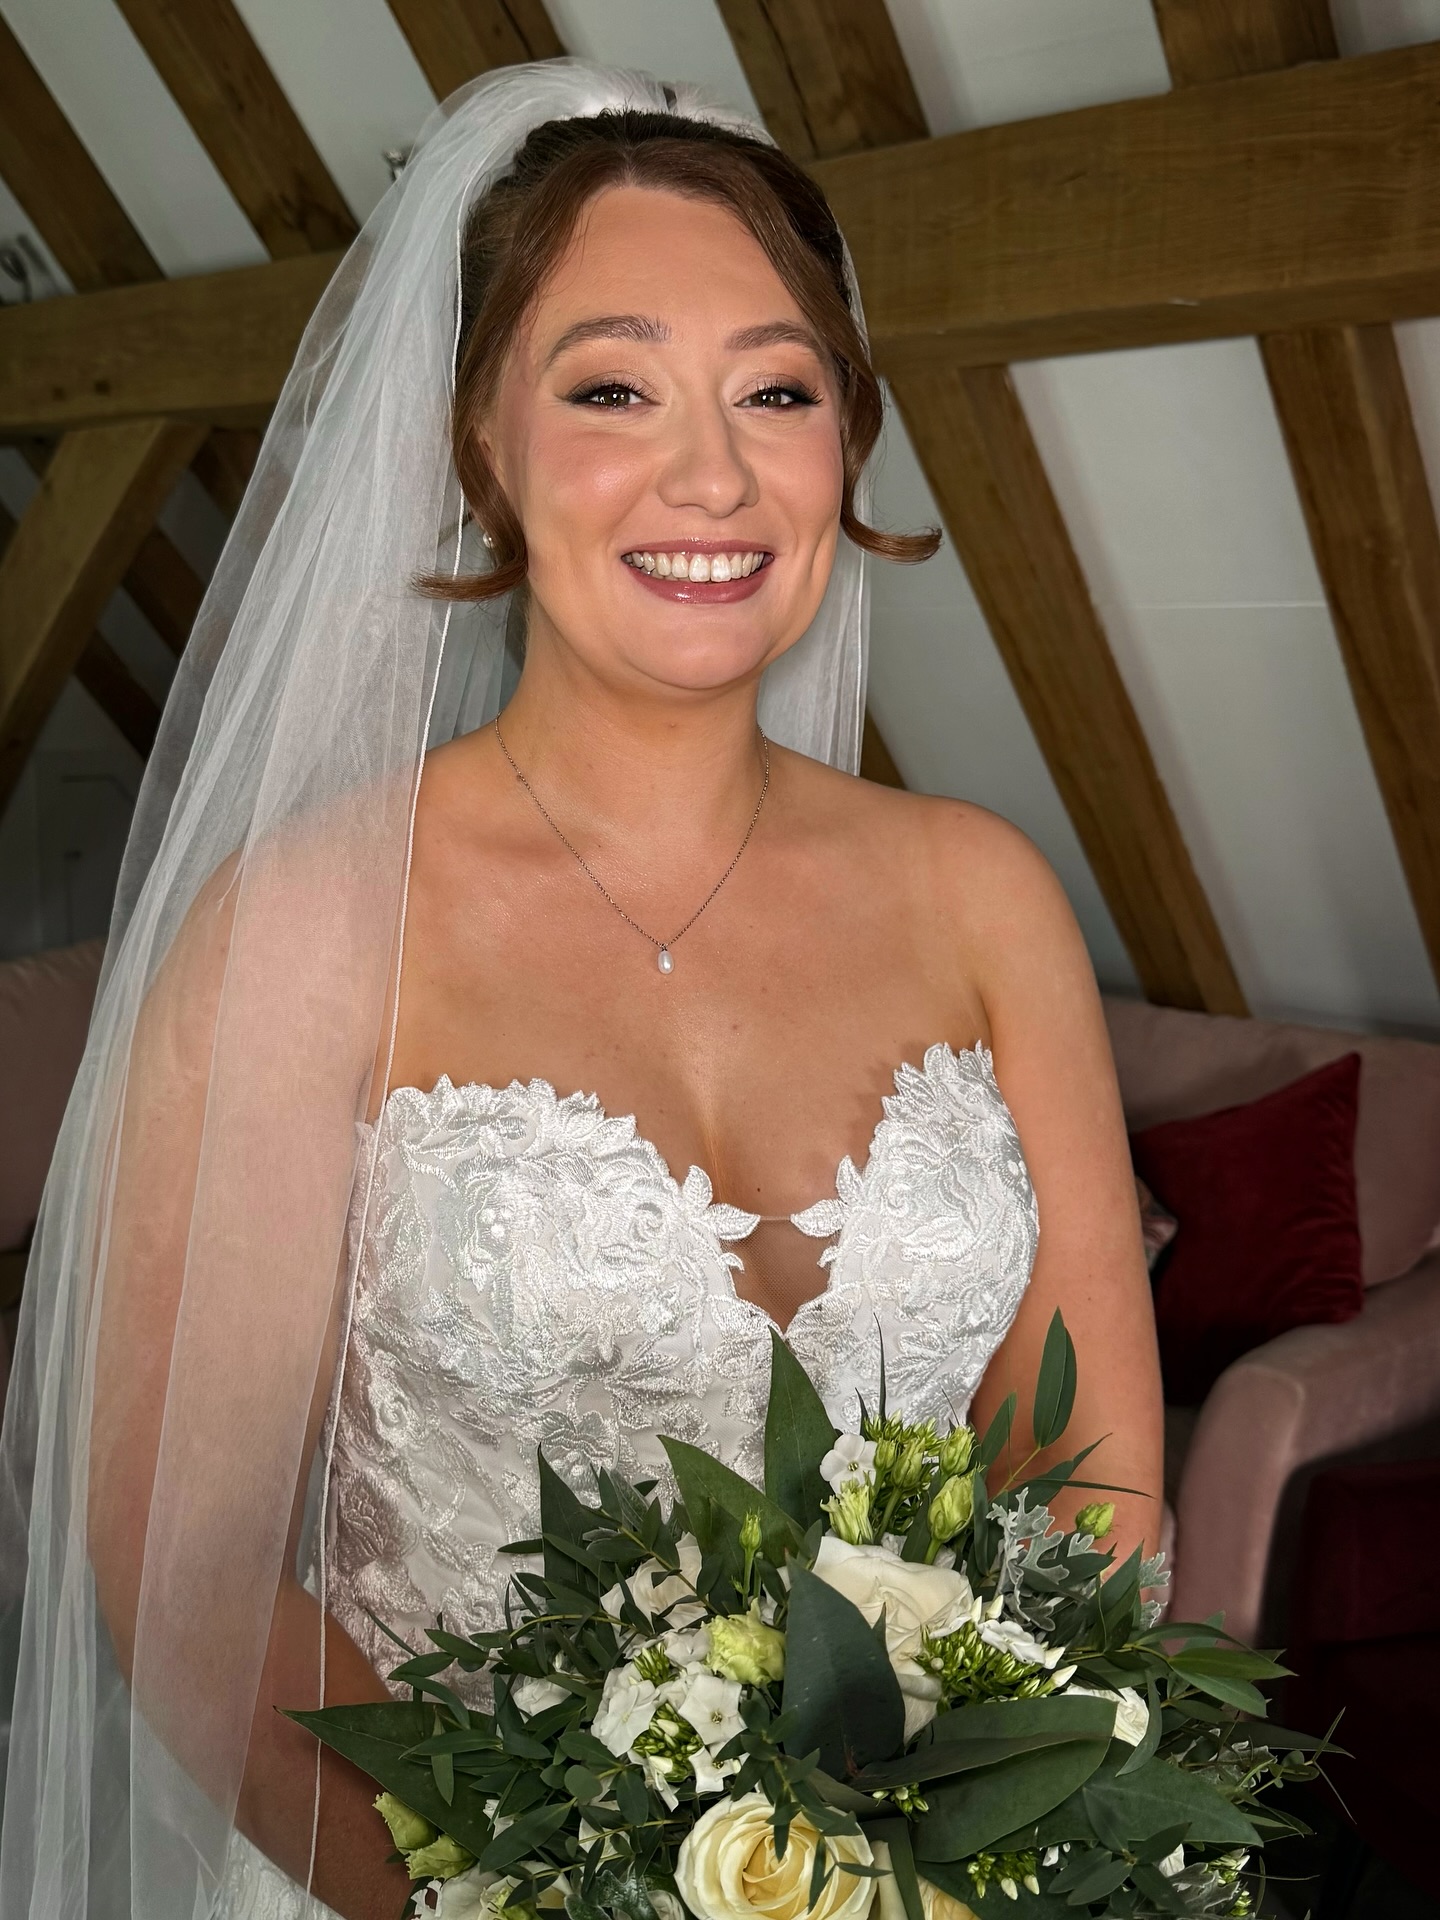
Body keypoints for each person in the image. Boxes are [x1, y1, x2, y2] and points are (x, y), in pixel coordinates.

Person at [0, 61, 1163, 1920]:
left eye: (776, 392)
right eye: (611, 388)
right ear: (482, 439)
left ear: (844, 438)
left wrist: (977, 1845)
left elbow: (1089, 1470)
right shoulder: (305, 932)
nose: (711, 475)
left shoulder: (984, 893)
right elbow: (189, 1569)